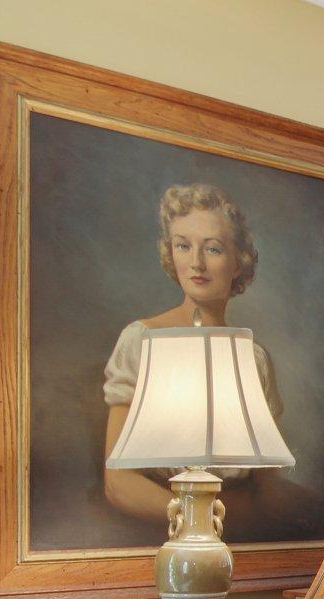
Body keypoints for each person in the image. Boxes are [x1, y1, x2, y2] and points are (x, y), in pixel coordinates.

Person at [101, 183, 282, 525]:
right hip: (163, 532)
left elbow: (267, 490)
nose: (196, 263)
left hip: (241, 536)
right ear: (171, 253)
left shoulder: (253, 358)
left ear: (238, 261)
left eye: (212, 249)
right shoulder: (142, 340)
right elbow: (117, 482)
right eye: (183, 246)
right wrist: (196, 519)